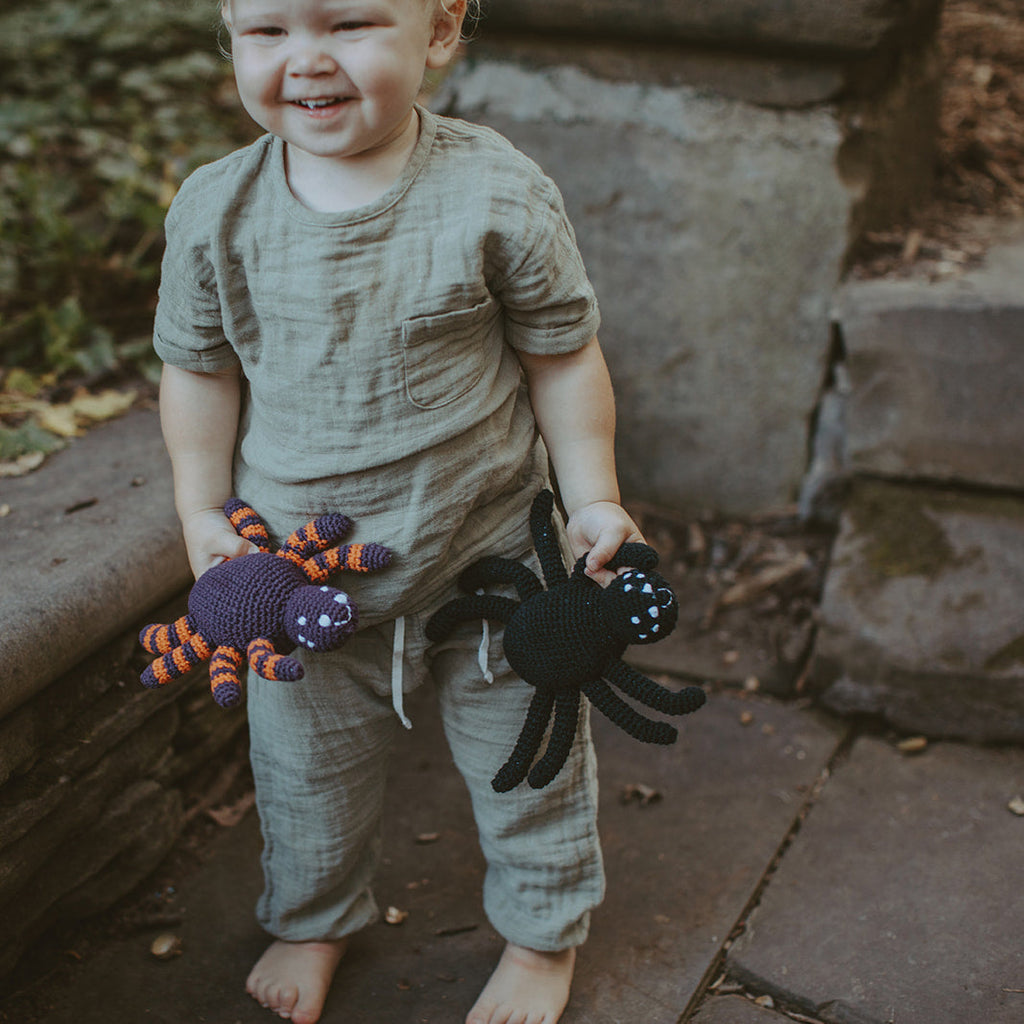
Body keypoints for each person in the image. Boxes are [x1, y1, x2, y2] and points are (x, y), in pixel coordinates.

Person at [154, 1, 645, 1021]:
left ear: (441, 28)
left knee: (531, 760)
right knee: (304, 775)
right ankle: (314, 916)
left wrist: (592, 495)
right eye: (269, 31)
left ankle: (541, 932)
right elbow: (198, 372)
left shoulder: (493, 190)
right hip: (297, 580)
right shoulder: (216, 210)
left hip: (491, 557)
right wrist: (201, 511)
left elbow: (562, 355)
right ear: (230, 35)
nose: (308, 61)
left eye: (351, 22)